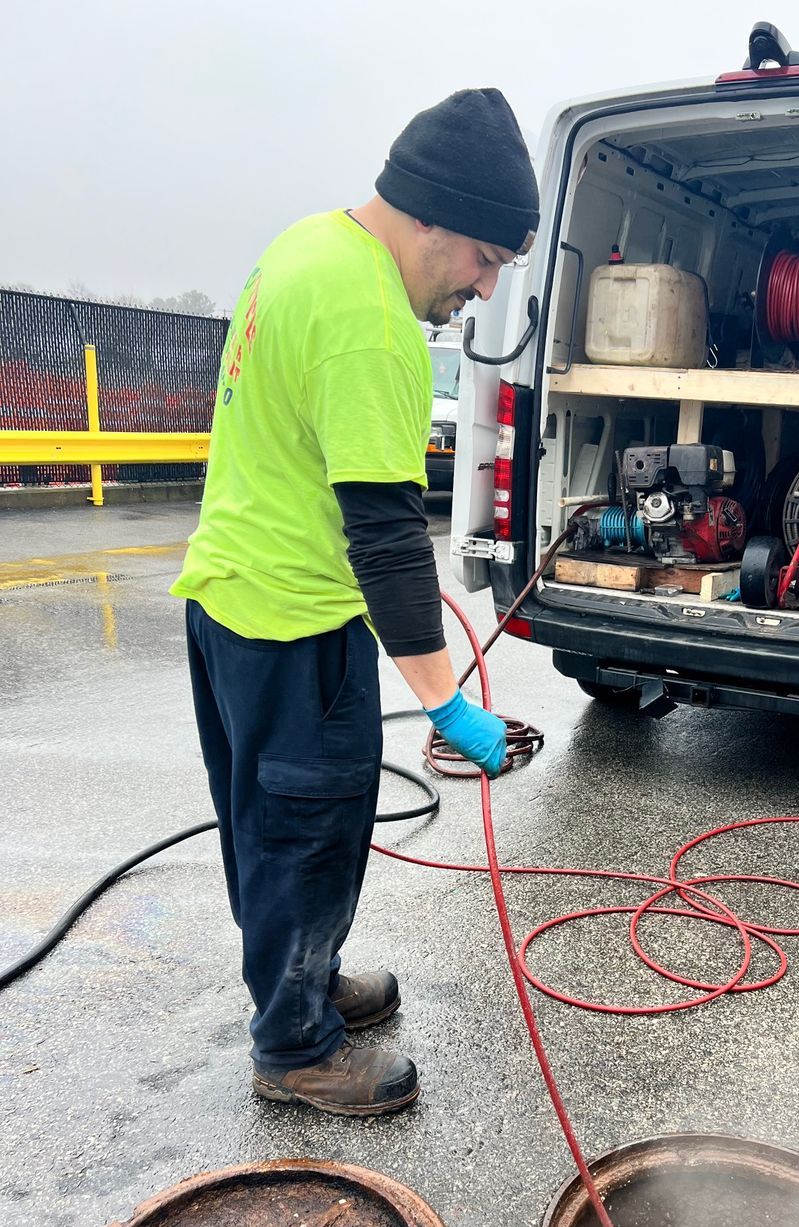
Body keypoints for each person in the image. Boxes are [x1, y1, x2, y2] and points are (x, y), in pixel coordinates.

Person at [170, 89, 540, 1117]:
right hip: (294, 620)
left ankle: (305, 976)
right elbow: (384, 537)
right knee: (309, 833)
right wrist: (448, 704)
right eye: (483, 259)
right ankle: (294, 1048)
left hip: (229, 602)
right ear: (432, 213)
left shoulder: (304, 249)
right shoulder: (371, 322)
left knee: (264, 822)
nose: (484, 286)